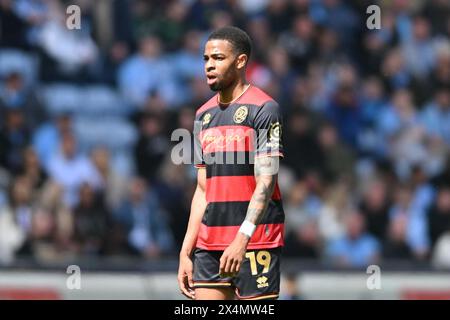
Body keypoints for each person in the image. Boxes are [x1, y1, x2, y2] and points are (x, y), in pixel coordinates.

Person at [177, 26, 285, 300]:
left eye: (218, 58)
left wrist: (242, 238)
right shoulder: (203, 115)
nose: (209, 66)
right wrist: (186, 251)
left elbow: (266, 181)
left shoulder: (264, 109)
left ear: (240, 61)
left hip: (256, 240)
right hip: (210, 241)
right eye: (206, 59)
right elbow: (202, 189)